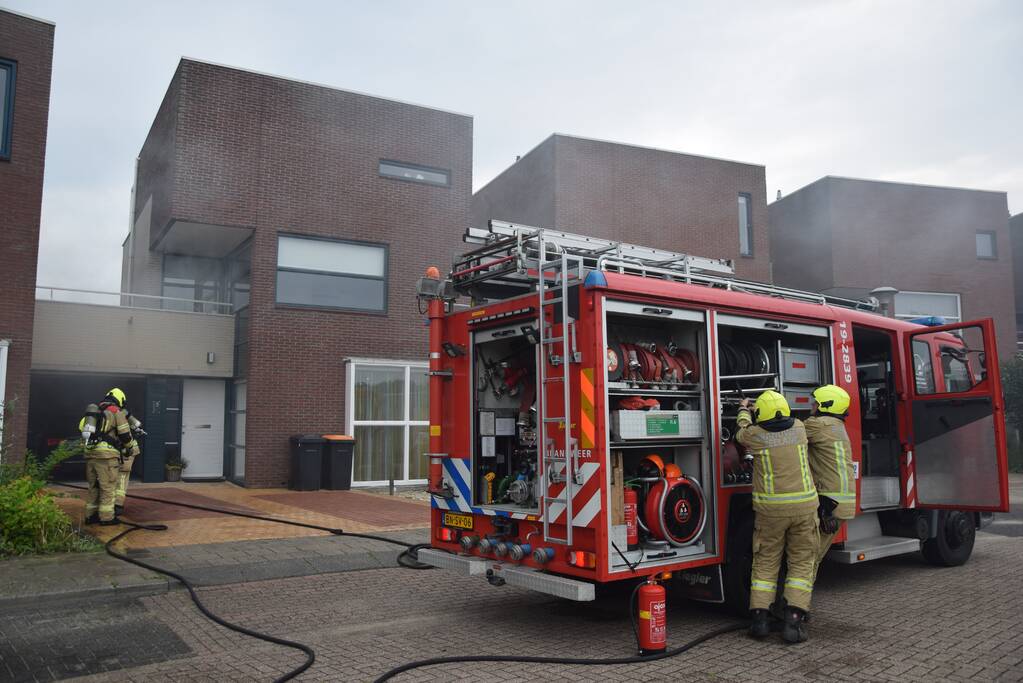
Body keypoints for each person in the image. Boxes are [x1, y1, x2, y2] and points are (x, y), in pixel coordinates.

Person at [737, 390, 819, 644]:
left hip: (770, 513)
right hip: (804, 509)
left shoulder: (755, 435)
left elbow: (741, 432)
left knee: (765, 563)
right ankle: (793, 622)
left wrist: (743, 410)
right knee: (801, 564)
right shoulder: (799, 428)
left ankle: (760, 621)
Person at [805, 384, 856, 584]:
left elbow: (789, 432)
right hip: (838, 503)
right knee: (812, 556)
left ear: (825, 405)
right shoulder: (836, 425)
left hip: (829, 504)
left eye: (815, 402)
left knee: (808, 558)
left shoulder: (819, 425)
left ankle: (795, 605)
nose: (812, 405)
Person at [80, 388, 138, 525]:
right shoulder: (116, 412)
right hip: (106, 456)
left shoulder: (94, 412)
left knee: (93, 486)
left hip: (90, 454)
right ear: (120, 400)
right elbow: (124, 434)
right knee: (108, 487)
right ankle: (107, 518)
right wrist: (130, 447)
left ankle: (90, 516)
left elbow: (81, 428)